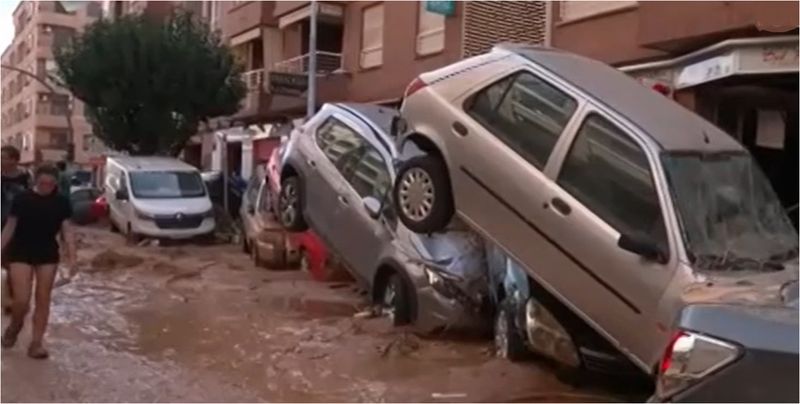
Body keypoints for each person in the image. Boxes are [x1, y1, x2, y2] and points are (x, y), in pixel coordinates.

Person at [1, 165, 76, 359]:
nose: (46, 187)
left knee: (43, 299)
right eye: (43, 183)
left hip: (47, 253)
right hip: (20, 252)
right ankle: (15, 326)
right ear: (35, 181)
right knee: (22, 301)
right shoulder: (22, 199)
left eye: (51, 184)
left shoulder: (62, 202)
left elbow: (67, 231)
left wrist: (72, 259)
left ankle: (36, 343)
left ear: (56, 183)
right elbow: (9, 228)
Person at [1, 146, 31, 314]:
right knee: (4, 263)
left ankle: (18, 300)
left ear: (14, 159)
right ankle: (8, 300)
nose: (1, 161)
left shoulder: (26, 178)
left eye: (4, 157)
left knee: (18, 264)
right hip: (1, 226)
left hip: (22, 227)